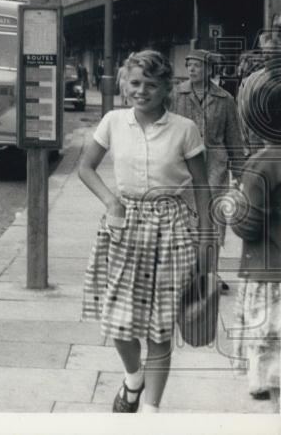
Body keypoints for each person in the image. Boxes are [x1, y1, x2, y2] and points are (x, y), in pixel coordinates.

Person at [79, 50, 213, 414]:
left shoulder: (184, 129)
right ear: (125, 84)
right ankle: (133, 378)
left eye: (151, 85)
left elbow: (202, 188)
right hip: (124, 229)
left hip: (171, 231)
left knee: (159, 328)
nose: (142, 91)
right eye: (136, 83)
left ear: (165, 88)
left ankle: (151, 411)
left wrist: (206, 240)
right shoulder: (112, 121)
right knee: (120, 325)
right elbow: (86, 167)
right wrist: (111, 202)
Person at [230, 62, 281, 405]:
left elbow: (247, 225)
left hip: (268, 272)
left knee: (271, 351)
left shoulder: (262, 164)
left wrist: (234, 203)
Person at [171, 49, 245, 251]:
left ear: (210, 69)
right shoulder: (177, 95)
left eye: (197, 65)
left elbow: (234, 138)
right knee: (185, 218)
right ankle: (189, 269)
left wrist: (239, 173)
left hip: (215, 167)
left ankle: (211, 271)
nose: (192, 69)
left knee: (213, 218)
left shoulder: (225, 99)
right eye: (189, 65)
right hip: (183, 166)